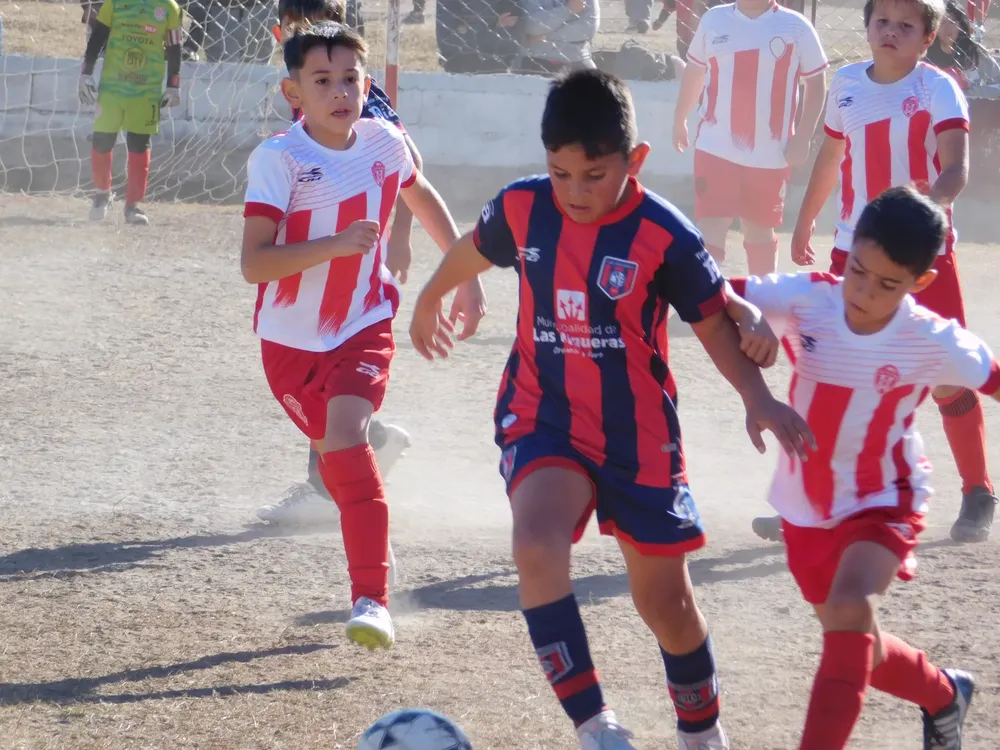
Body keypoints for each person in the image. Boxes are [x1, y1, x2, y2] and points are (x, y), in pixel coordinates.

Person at [409, 68, 814, 750]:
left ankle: (700, 733)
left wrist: (760, 398)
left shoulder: (665, 234)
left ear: (636, 161)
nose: (575, 192)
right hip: (543, 415)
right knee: (535, 545)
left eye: (594, 175)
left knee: (668, 605)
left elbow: (715, 322)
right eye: (560, 173)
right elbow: (471, 251)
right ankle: (597, 727)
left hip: (637, 435)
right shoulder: (522, 208)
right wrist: (429, 297)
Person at [241, 22, 483, 648]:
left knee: (343, 444)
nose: (340, 91)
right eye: (322, 81)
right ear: (293, 92)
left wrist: (466, 275)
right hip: (288, 346)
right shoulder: (278, 160)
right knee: (343, 461)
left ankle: (371, 597)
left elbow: (421, 196)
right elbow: (255, 264)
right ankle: (373, 536)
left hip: (362, 323)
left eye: (350, 79)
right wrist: (333, 245)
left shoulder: (383, 142)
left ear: (366, 84)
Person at [729, 185, 996, 749]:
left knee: (850, 611)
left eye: (887, 284)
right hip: (804, 506)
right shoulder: (809, 299)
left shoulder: (930, 337)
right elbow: (710, 293)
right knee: (854, 640)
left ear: (919, 284)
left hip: (886, 497)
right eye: (857, 271)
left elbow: (994, 377)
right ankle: (945, 695)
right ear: (846, 251)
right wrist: (746, 312)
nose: (864, 292)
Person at [753, 0, 997, 545]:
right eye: (881, 21)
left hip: (920, 256)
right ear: (866, 28)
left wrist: (927, 215)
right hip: (852, 254)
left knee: (946, 373)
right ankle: (814, 500)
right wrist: (805, 222)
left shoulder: (938, 89)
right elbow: (830, 158)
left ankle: (978, 491)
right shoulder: (845, 85)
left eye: (906, 24)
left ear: (928, 36)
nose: (891, 31)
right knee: (834, 371)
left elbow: (956, 166)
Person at [255, 0, 446, 529]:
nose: (302, 36)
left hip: (353, 269)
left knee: (330, 359)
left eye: (313, 26)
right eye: (296, 28)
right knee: (319, 376)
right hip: (320, 266)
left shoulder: (358, 102)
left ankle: (327, 489)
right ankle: (371, 447)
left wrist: (401, 235)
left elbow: (409, 165)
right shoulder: (311, 99)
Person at [672, 0, 828, 276]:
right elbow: (696, 71)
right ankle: (710, 300)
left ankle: (763, 296)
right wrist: (680, 118)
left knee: (758, 230)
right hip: (715, 150)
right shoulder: (713, 20)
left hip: (770, 157)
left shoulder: (796, 27)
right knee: (711, 229)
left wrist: (803, 137)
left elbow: (816, 83)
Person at [77, 0, 183, 225]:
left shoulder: (169, 8)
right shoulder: (115, 3)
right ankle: (102, 195)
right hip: (112, 87)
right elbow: (97, 39)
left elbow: (175, 48)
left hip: (146, 90)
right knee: (102, 139)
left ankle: (133, 205)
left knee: (138, 144)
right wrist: (85, 74)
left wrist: (174, 85)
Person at [512, 0, 600, 76]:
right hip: (536, 59)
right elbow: (532, 26)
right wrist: (568, 9)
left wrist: (546, 36)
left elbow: (588, 28)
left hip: (578, 59)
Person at [925, 0, 1000, 88]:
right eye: (942, 23)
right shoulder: (925, 56)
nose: (948, 28)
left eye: (952, 22)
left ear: (961, 25)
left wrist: (967, 90)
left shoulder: (975, 54)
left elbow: (997, 85)